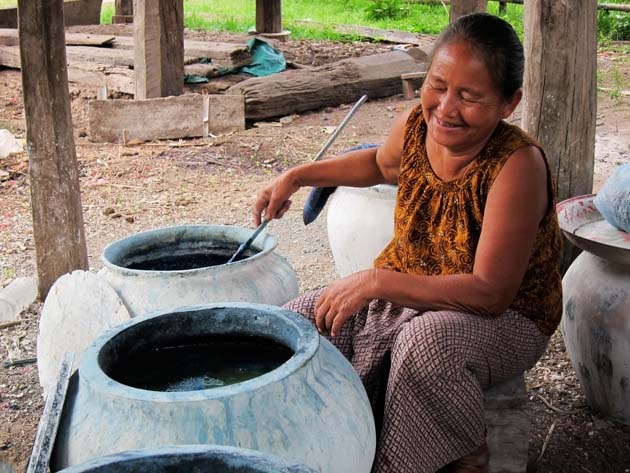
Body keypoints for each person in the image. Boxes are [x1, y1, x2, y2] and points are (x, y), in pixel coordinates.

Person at [253, 12, 562, 473]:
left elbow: (489, 293)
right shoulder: (417, 123)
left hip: (510, 317)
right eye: (438, 85)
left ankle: (463, 455)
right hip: (417, 282)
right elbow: (379, 165)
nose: (446, 108)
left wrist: (379, 282)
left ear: (508, 103)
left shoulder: (517, 167)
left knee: (426, 342)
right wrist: (297, 176)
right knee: (292, 326)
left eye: (470, 96)